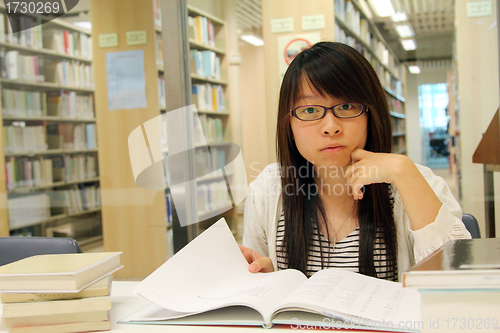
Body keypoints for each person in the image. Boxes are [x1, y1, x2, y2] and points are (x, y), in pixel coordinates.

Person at [239, 42, 470, 282]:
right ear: (289, 124)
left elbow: (458, 283)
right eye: (309, 110)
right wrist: (265, 279)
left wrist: (403, 171)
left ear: (371, 114)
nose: (331, 127)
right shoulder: (269, 190)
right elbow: (259, 293)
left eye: (347, 106)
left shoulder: (415, 182)